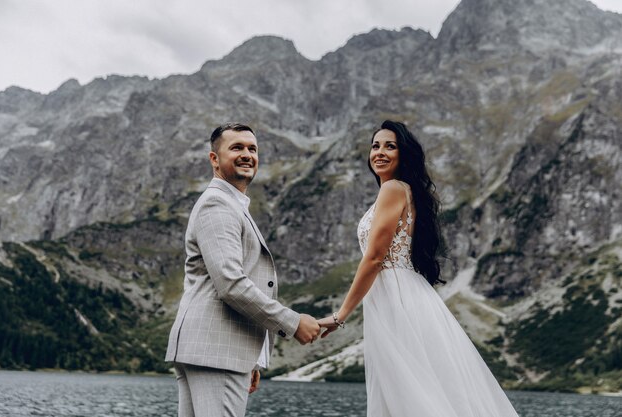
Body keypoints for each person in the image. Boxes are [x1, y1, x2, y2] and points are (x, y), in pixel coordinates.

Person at [318, 120, 519, 416]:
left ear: (404, 154)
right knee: (413, 389)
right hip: (401, 294)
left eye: (390, 146)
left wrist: (340, 315)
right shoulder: (403, 190)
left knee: (407, 392)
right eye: (375, 146)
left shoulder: (393, 189)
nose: (380, 152)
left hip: (395, 298)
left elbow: (374, 257)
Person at [165, 123, 321, 417]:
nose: (247, 154)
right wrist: (292, 322)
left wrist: (253, 357)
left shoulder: (230, 204)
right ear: (214, 159)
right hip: (216, 353)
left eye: (252, 149)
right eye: (237, 148)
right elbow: (230, 283)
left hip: (214, 351)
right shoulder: (217, 204)